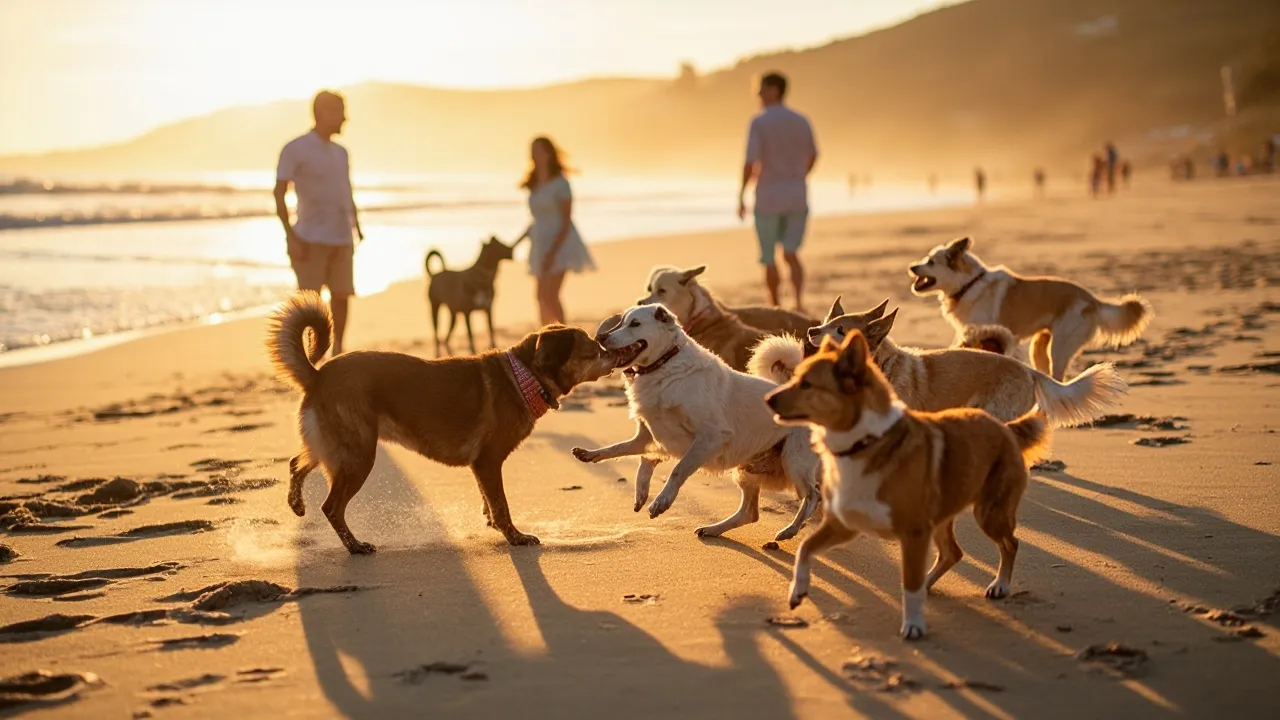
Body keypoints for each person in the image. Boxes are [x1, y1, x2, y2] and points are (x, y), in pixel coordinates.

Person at [274, 90, 363, 356]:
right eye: (341, 112)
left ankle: (338, 355)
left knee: (342, 299)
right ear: (324, 112)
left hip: (342, 238)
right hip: (309, 239)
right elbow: (279, 193)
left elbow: (346, 191)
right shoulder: (295, 148)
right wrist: (291, 236)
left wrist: (357, 227)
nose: (345, 118)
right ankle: (310, 360)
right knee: (309, 308)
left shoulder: (341, 152)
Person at [738, 72, 817, 312]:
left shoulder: (759, 121)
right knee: (792, 254)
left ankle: (775, 305)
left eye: (760, 90)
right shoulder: (801, 120)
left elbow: (750, 161)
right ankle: (798, 302)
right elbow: (813, 155)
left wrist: (741, 193)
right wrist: (798, 176)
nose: (758, 95)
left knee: (769, 257)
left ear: (773, 90)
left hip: (769, 196)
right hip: (796, 193)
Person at [518, 136, 594, 326]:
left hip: (561, 241)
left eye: (539, 151)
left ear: (549, 154)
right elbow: (535, 220)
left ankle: (563, 335)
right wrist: (516, 242)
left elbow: (566, 220)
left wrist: (553, 251)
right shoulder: (534, 182)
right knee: (540, 296)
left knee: (551, 295)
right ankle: (545, 335)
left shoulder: (561, 183)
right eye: (532, 151)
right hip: (539, 241)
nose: (535, 155)